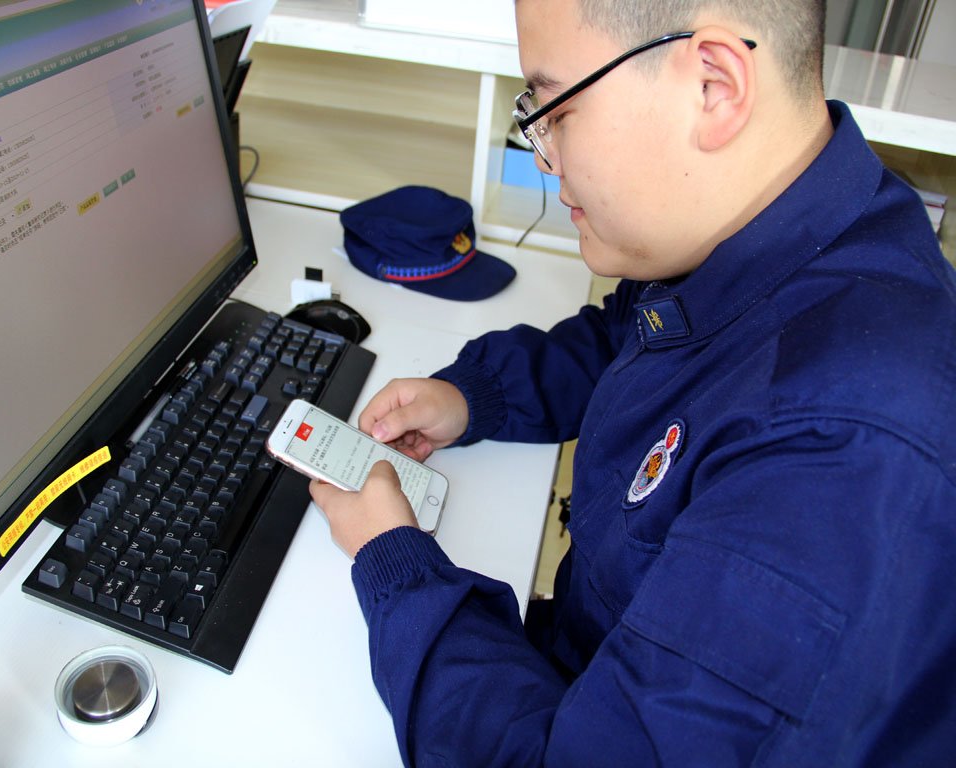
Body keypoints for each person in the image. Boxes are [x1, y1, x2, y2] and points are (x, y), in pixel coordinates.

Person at [310, 0, 956, 764]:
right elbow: (635, 335)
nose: (545, 157)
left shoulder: (836, 457)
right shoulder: (779, 228)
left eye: (556, 110)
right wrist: (475, 396)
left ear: (714, 85)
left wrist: (394, 562)